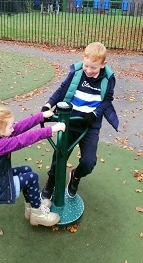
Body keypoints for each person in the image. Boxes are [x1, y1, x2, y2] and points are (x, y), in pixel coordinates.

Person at [41, 42, 119, 199]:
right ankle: (51, 181)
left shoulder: (108, 79)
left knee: (89, 162)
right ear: (83, 60)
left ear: (103, 64)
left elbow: (107, 100)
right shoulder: (76, 72)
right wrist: (48, 105)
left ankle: (75, 176)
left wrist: (95, 114)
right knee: (59, 156)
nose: (89, 71)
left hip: (90, 125)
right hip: (69, 121)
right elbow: (62, 89)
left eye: (94, 68)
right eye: (87, 66)